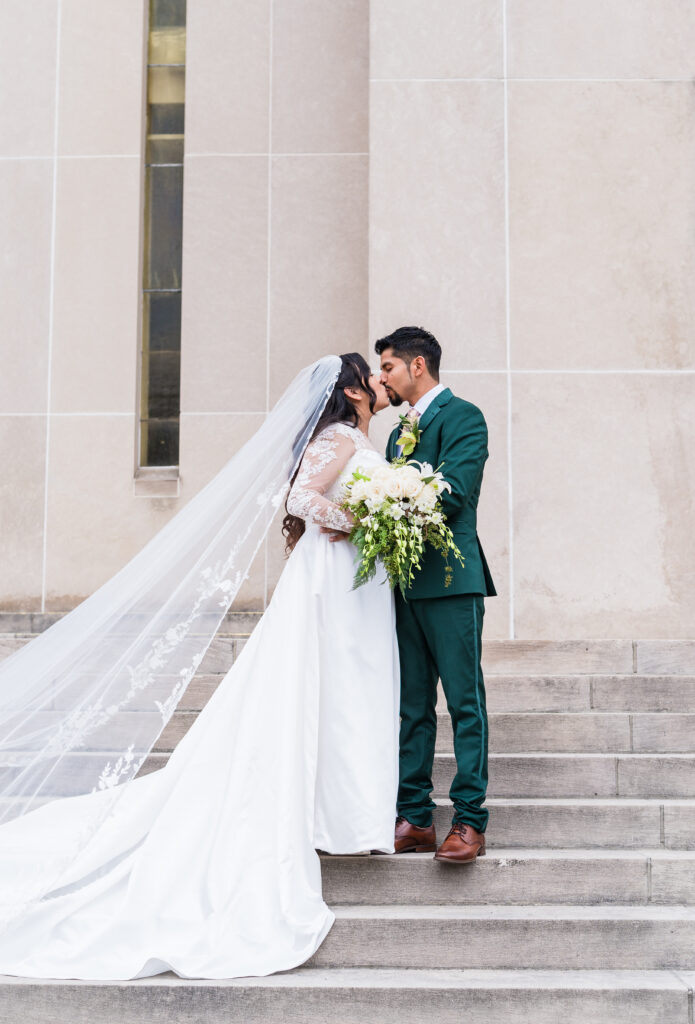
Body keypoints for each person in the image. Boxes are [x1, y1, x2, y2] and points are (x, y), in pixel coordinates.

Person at [0, 353, 399, 980]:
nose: (381, 382)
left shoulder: (356, 436)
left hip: (357, 579)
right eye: (373, 375)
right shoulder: (342, 436)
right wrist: (357, 517)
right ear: (352, 390)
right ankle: (334, 816)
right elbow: (299, 494)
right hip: (331, 576)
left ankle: (346, 814)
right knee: (330, 690)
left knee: (349, 693)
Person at [376, 326, 497, 863]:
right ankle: (415, 817)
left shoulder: (465, 417)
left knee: (464, 703)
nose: (382, 379)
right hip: (403, 586)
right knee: (412, 706)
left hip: (451, 581)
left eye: (388, 368)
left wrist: (386, 504)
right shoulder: (396, 433)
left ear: (417, 365)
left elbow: (454, 492)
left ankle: (469, 821)